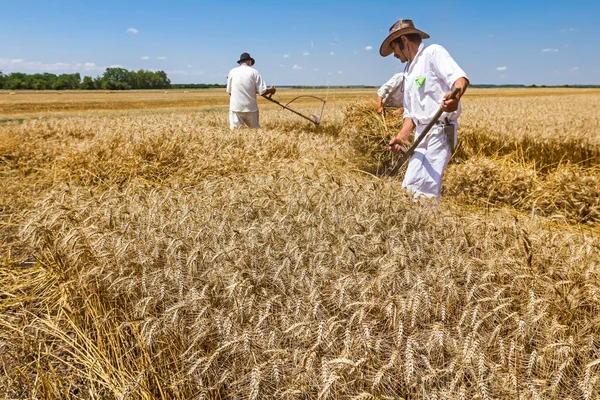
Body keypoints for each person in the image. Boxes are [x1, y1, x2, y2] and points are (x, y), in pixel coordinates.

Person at [380, 19, 469, 201]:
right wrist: (402, 136)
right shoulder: (408, 71)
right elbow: (410, 113)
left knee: (426, 190)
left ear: (404, 40)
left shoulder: (432, 53)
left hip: (440, 131)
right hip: (421, 133)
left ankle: (428, 227)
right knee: (410, 187)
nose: (394, 54)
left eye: (394, 48)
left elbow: (460, 79)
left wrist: (455, 97)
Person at [226, 52, 276, 130]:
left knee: (236, 133)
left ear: (240, 62)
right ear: (249, 61)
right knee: (255, 132)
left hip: (236, 108)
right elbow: (262, 91)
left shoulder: (232, 72)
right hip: (251, 108)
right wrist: (271, 90)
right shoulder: (255, 72)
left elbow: (229, 92)